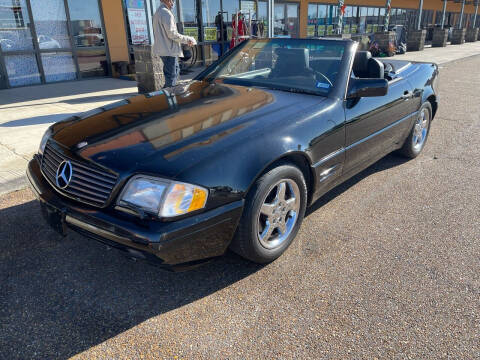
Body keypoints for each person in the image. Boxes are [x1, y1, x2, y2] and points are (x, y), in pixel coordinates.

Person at [152, 0, 196, 88]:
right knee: (171, 79)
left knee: (173, 74)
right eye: (171, 1)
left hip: (165, 50)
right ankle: (167, 98)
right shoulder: (166, 13)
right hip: (168, 50)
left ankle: (166, 96)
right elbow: (172, 34)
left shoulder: (158, 12)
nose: (173, 3)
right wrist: (188, 39)